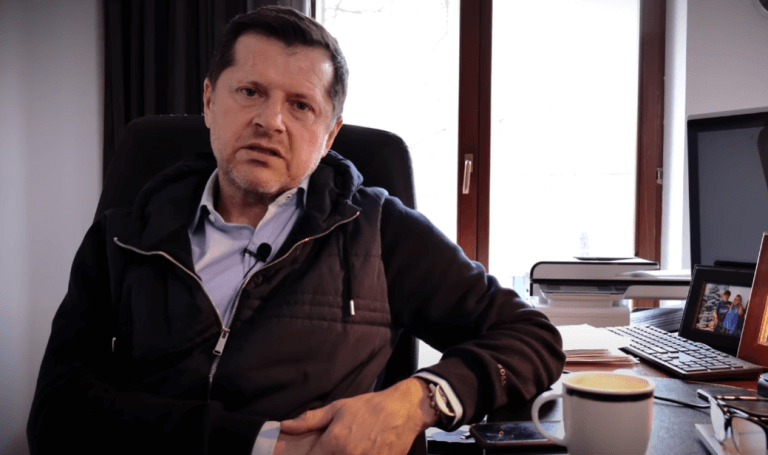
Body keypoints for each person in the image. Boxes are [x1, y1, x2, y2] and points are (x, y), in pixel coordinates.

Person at [27, 6, 564, 455]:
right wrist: (262, 445)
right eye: (250, 92)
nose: (271, 121)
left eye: (301, 105)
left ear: (329, 136)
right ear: (209, 101)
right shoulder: (121, 237)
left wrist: (418, 400)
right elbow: (55, 413)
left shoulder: (381, 231)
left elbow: (532, 338)